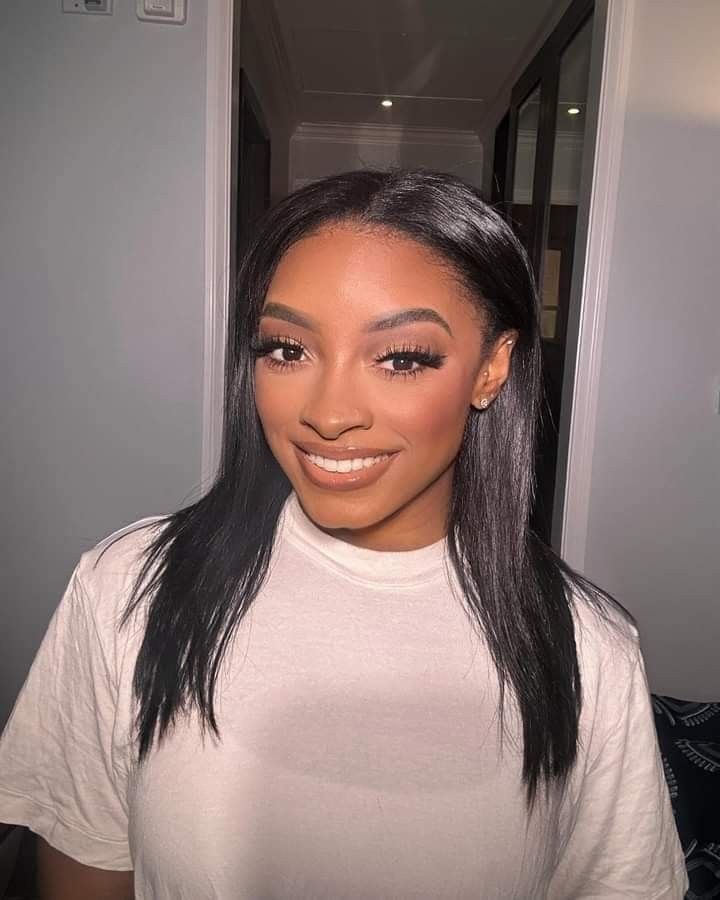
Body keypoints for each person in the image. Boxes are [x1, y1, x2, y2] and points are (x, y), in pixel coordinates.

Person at [0, 169, 687, 899]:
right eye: (288, 350)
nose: (328, 415)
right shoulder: (128, 589)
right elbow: (84, 869)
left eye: (402, 358)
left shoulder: (587, 649)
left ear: (492, 369)